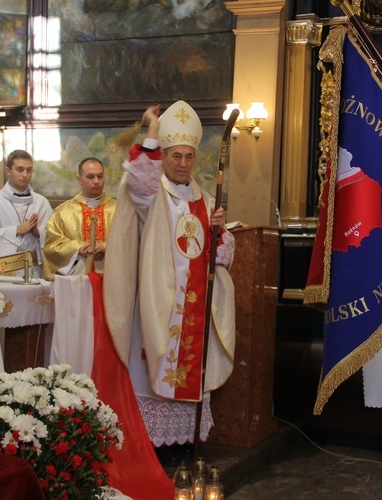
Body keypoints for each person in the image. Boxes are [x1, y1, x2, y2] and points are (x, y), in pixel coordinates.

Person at [103, 101, 236, 462]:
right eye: (175, 155)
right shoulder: (151, 193)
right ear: (165, 156)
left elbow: (220, 256)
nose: (181, 163)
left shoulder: (207, 202)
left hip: (192, 304)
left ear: (195, 159)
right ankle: (151, 449)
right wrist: (151, 131)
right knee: (154, 369)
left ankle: (184, 444)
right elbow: (137, 177)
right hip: (156, 302)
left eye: (188, 157)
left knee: (190, 369)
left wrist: (219, 232)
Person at [42, 157, 116, 280]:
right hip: (77, 278)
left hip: (112, 278)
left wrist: (106, 246)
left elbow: (130, 241)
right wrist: (78, 249)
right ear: (79, 179)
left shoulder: (118, 210)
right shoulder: (63, 212)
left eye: (100, 176)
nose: (96, 181)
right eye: (90, 177)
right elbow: (52, 246)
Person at [0, 150, 52, 278]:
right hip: (4, 270)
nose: (25, 175)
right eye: (20, 170)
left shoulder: (41, 202)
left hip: (35, 269)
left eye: (29, 170)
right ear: (8, 170)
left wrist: (38, 233)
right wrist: (17, 230)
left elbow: (53, 237)